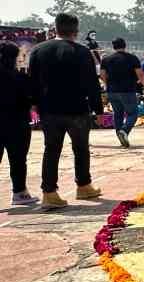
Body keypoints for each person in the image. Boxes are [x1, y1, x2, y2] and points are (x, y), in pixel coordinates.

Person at [27, 12, 103, 210]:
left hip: (49, 109)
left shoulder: (38, 51)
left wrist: (34, 103)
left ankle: (49, 192)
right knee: (81, 148)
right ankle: (84, 186)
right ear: (76, 30)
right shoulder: (82, 52)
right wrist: (98, 108)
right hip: (76, 108)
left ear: (55, 28)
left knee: (51, 150)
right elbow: (91, 83)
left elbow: (32, 81)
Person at [1, 41, 37, 206]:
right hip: (17, 122)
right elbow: (30, 99)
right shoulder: (20, 77)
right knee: (17, 159)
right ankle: (19, 192)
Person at [100, 38, 144, 148]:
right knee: (133, 113)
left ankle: (120, 134)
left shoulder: (106, 59)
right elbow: (140, 74)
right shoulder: (132, 58)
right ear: (125, 45)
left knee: (118, 113)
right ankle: (124, 131)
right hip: (127, 90)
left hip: (112, 91)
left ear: (113, 46)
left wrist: (108, 84)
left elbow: (102, 75)